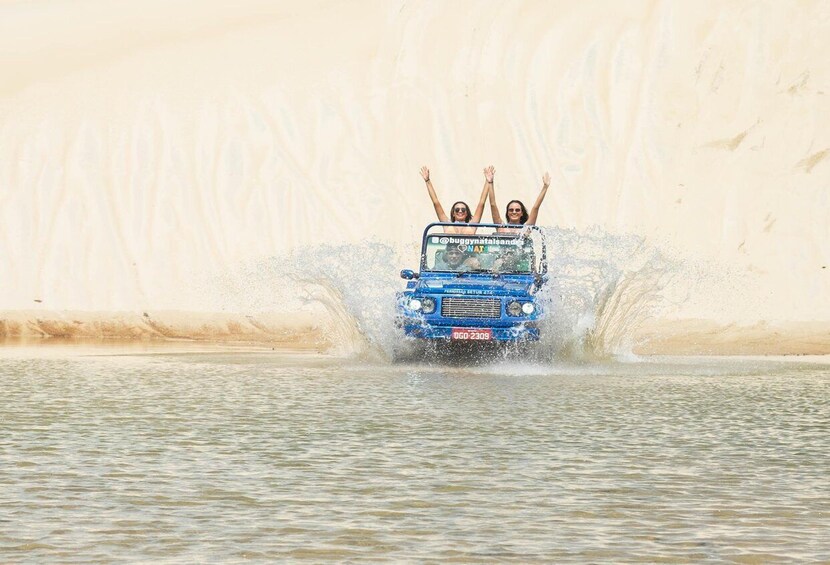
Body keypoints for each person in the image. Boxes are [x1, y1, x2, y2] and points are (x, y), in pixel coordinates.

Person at [420, 166, 489, 234]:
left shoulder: (472, 225)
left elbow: (481, 203)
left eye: (463, 209)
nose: (460, 211)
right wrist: (427, 181)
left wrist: (488, 182)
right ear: (453, 213)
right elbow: (436, 202)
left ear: (467, 213)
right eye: (457, 209)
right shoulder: (447, 224)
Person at [486, 166, 551, 234]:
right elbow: (493, 204)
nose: (514, 212)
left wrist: (545, 187)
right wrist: (490, 183)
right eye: (511, 210)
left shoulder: (526, 229)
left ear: (522, 213)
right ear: (507, 213)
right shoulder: (501, 227)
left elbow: (536, 207)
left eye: (517, 210)